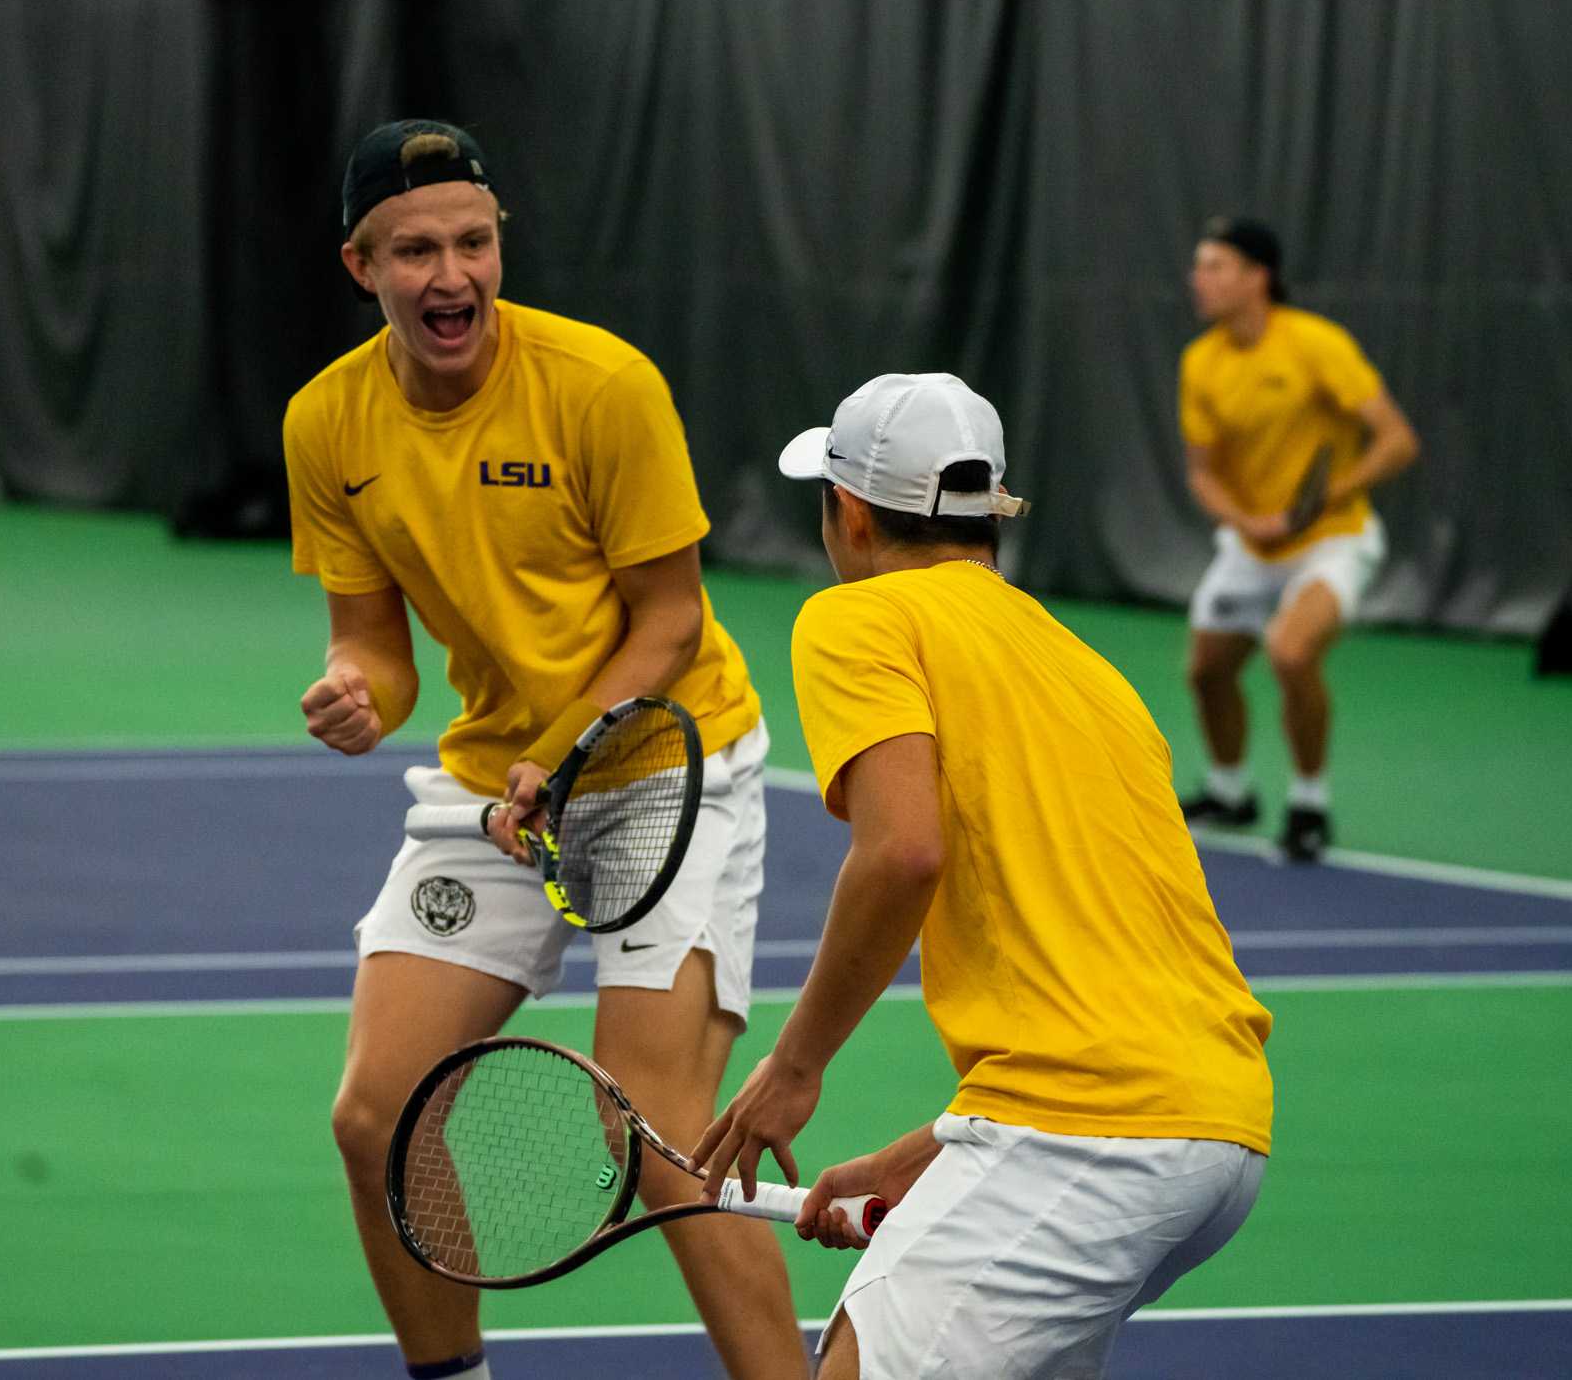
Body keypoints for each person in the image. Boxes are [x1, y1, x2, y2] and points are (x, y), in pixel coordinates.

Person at [283, 119, 807, 1380]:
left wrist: (568, 752)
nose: (450, 275)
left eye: (472, 242)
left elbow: (670, 620)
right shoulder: (328, 425)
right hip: (495, 787)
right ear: (362, 267)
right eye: (414, 251)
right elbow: (379, 645)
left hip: (662, 775)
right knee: (375, 1116)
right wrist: (356, 685)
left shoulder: (602, 385)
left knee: (657, 1127)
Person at [692, 373, 1275, 1380]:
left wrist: (792, 1070)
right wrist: (933, 1152)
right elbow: (1104, 976)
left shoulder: (856, 619)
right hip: (1215, 1129)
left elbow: (903, 851)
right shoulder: (1085, 670)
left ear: (853, 515)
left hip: (1092, 1137)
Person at [1177, 217, 1421, 861]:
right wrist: (1244, 520)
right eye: (1198, 265)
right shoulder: (1201, 362)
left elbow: (1397, 439)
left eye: (1214, 265)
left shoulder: (1316, 343)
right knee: (1207, 672)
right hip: (1254, 547)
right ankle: (1230, 792)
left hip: (1333, 539)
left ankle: (1310, 803)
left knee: (1290, 652)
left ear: (1259, 278)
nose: (1198, 278)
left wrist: (1332, 495)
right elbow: (1202, 473)